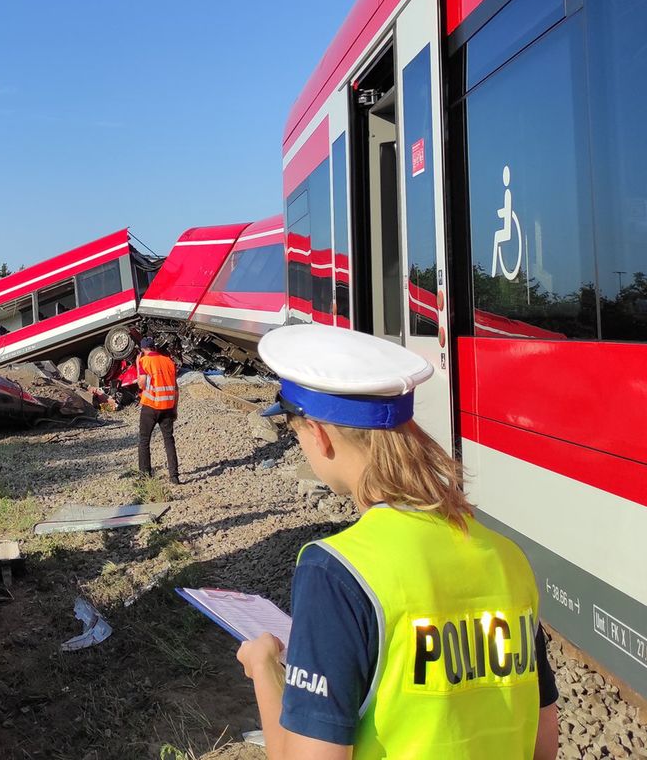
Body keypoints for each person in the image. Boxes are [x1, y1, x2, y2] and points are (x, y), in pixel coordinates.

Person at [236, 324, 559, 759]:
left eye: (296, 434)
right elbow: (542, 744)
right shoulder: (507, 558)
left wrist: (263, 670)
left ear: (320, 435)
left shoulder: (336, 571)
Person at [135, 335, 181, 483]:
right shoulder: (168, 361)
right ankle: (174, 477)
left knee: (144, 440)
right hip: (167, 406)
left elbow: (141, 384)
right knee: (169, 440)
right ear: (154, 347)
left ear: (143, 349)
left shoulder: (144, 361)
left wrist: (137, 365)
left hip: (150, 406)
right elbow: (176, 388)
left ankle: (145, 475)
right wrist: (175, 408)